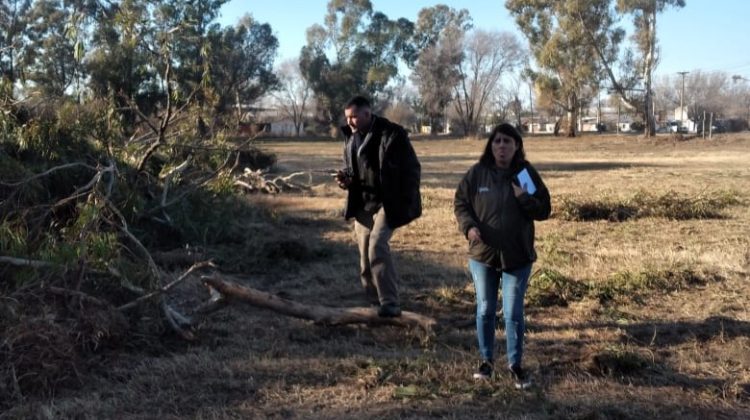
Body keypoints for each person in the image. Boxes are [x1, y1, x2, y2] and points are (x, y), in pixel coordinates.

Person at [453, 123, 551, 388]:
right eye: (497, 141)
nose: (502, 146)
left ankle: (515, 365)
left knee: (513, 312)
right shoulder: (478, 173)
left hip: (517, 256)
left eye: (508, 141)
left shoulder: (524, 175)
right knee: (485, 308)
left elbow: (543, 210)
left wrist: (523, 197)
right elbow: (461, 203)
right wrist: (469, 227)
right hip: (483, 255)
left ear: (516, 146)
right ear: (491, 145)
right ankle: (486, 361)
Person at [335, 96, 421, 318]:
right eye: (347, 117)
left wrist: (404, 198)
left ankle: (390, 303)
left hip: (388, 203)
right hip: (363, 203)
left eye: (354, 117)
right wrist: (346, 180)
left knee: (377, 247)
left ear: (367, 113)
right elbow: (352, 170)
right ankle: (373, 304)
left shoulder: (393, 135)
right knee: (364, 258)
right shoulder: (350, 137)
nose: (350, 122)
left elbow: (413, 170)